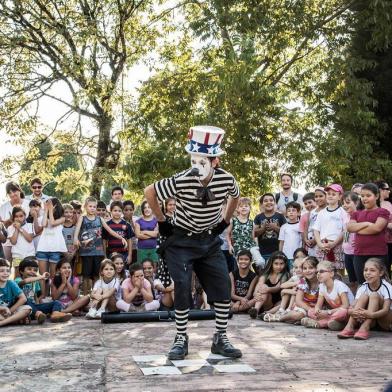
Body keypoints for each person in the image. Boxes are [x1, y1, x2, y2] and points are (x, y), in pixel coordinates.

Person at [144, 125, 242, 360]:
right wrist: (161, 220)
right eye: (193, 160)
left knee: (221, 286)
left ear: (215, 161)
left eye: (202, 161)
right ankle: (181, 338)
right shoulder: (181, 180)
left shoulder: (226, 179)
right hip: (181, 241)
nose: (196, 166)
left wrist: (225, 221)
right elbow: (150, 191)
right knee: (182, 286)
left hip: (208, 241)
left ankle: (220, 338)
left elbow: (236, 196)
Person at [73, 196, 128, 295]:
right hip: (86, 252)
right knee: (86, 276)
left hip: (98, 252)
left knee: (97, 276)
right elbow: (77, 230)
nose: (92, 208)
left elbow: (110, 230)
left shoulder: (100, 219)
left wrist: (121, 238)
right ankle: (86, 297)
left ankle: (96, 296)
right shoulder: (82, 218)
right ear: (85, 207)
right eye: (90, 206)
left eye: (94, 207)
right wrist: (75, 238)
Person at [338, 258, 392, 340]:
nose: (368, 273)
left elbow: (386, 309)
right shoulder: (363, 286)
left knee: (374, 295)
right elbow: (352, 306)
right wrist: (351, 311)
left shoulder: (386, 286)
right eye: (365, 270)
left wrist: (372, 314)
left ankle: (365, 327)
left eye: (372, 270)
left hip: (384, 322)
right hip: (371, 321)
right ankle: (350, 326)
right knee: (363, 296)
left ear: (381, 273)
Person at [347, 183, 389, 284]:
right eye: (362, 196)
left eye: (368, 195)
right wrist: (366, 223)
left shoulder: (383, 212)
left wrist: (357, 228)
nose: (364, 198)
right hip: (359, 255)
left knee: (379, 285)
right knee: (362, 284)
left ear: (377, 196)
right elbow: (350, 227)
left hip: (378, 254)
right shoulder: (356, 213)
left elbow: (377, 228)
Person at [16, 257, 72, 323]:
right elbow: (25, 281)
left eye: (35, 270)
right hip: (24, 309)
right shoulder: (17, 280)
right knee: (25, 300)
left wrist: (40, 305)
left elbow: (35, 297)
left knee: (56, 302)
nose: (32, 272)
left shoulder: (35, 283)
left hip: (34, 307)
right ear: (21, 271)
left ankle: (55, 314)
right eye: (29, 269)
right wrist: (41, 277)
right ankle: (38, 314)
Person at [302, 260, 354, 330]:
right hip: (333, 313)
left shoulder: (339, 285)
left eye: (322, 271)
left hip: (347, 314)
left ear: (331, 273)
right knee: (310, 311)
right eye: (317, 272)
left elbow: (346, 306)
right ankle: (334, 323)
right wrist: (317, 310)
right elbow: (318, 305)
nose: (318, 274)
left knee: (342, 312)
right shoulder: (322, 286)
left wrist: (328, 312)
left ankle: (319, 323)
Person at [36, 198, 68, 296]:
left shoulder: (62, 218)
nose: (48, 206)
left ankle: (52, 295)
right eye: (46, 205)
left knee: (53, 277)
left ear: (56, 206)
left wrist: (50, 210)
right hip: (43, 249)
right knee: (43, 276)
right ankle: (43, 296)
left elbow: (53, 223)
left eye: (50, 205)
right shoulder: (43, 216)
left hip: (55, 250)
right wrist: (46, 210)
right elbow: (44, 224)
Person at [249, 251, 290, 319]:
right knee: (264, 287)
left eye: (281, 264)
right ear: (271, 264)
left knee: (284, 301)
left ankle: (266, 313)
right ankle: (256, 310)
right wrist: (255, 294)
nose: (279, 266)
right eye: (276, 264)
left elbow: (278, 287)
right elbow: (260, 284)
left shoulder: (285, 274)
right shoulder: (267, 273)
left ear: (285, 264)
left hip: (278, 303)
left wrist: (269, 289)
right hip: (266, 300)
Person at [313, 184, 345, 271]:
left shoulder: (342, 212)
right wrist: (320, 244)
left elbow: (344, 230)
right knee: (323, 271)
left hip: (337, 246)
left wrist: (334, 244)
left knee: (337, 273)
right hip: (322, 246)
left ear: (340, 196)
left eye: (333, 194)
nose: (330, 196)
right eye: (329, 194)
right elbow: (316, 230)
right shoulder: (321, 212)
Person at [279, 256, 319, 324]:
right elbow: (298, 301)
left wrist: (314, 310)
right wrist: (310, 310)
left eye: (311, 268)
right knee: (298, 315)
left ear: (316, 269)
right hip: (304, 307)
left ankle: (300, 320)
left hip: (317, 308)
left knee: (320, 315)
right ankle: (279, 318)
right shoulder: (303, 281)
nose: (307, 271)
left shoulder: (321, 281)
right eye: (305, 268)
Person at [0, 182, 30, 261]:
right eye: (9, 193)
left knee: (27, 266)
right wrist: (9, 221)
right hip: (8, 242)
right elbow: (2, 226)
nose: (12, 194)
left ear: (19, 190)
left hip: (25, 241)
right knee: (6, 266)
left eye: (14, 191)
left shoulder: (28, 204)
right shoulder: (3, 207)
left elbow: (33, 223)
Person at [253, 193, 286, 261]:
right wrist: (263, 228)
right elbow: (254, 234)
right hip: (263, 253)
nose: (269, 202)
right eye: (266, 201)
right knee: (264, 271)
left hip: (278, 252)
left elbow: (286, 233)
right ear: (262, 204)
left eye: (271, 200)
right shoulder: (258, 217)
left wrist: (275, 227)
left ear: (274, 203)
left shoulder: (280, 216)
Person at [0, 258, 32, 327]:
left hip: (10, 311)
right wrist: (3, 308)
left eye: (8, 271)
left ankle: (3, 323)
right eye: (2, 271)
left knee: (27, 309)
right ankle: (14, 320)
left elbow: (23, 298)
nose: (5, 273)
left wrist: (10, 310)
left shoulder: (11, 283)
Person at [7, 206, 35, 277]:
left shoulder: (30, 225)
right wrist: (16, 229)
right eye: (16, 216)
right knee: (18, 277)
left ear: (25, 216)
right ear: (13, 217)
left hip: (29, 255)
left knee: (30, 276)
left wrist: (20, 228)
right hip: (17, 255)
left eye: (21, 216)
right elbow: (13, 242)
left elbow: (29, 239)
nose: (19, 218)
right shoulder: (10, 228)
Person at [342, 191, 360, 292]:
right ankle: (353, 300)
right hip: (347, 252)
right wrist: (343, 244)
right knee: (351, 281)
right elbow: (345, 231)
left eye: (348, 202)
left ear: (356, 202)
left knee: (360, 280)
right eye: (343, 203)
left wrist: (358, 241)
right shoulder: (345, 216)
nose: (345, 205)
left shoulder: (360, 215)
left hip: (357, 252)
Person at [303, 187, 327, 257]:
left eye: (321, 196)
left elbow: (325, 228)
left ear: (326, 196)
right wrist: (305, 239)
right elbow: (306, 226)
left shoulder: (328, 210)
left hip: (320, 241)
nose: (318, 198)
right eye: (316, 196)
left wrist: (315, 240)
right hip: (310, 243)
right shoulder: (312, 211)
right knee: (312, 263)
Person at [279, 201, 302, 268]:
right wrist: (280, 254)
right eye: (289, 211)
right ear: (286, 214)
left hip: (298, 256)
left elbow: (303, 240)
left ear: (298, 213)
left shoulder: (300, 225)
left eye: (293, 210)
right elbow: (281, 242)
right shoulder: (284, 227)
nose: (291, 212)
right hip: (286, 256)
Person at [376, 181, 392, 278]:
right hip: (379, 241)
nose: (389, 191)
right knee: (381, 268)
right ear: (380, 190)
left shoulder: (388, 203)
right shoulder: (374, 205)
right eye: (387, 189)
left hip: (390, 241)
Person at [135, 201, 159, 265]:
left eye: (149, 207)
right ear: (143, 209)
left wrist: (144, 232)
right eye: (145, 208)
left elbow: (156, 234)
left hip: (154, 249)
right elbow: (138, 235)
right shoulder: (138, 221)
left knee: (154, 269)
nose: (147, 209)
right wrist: (152, 234)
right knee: (142, 269)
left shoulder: (156, 221)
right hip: (141, 249)